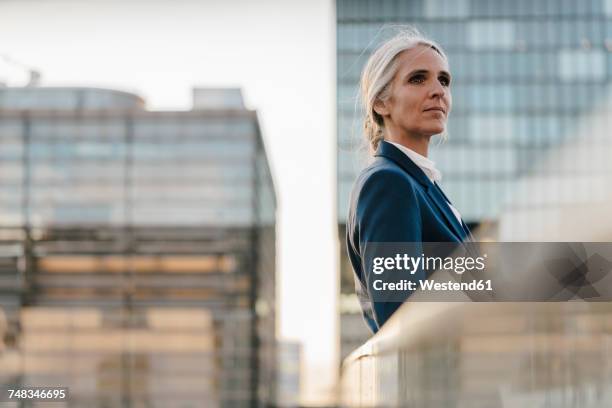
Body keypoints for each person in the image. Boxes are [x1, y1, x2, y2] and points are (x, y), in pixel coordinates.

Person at [346, 28, 473, 334]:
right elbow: (400, 317)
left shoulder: (422, 186)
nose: (438, 90)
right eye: (418, 78)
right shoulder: (389, 184)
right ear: (381, 103)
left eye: (444, 80)